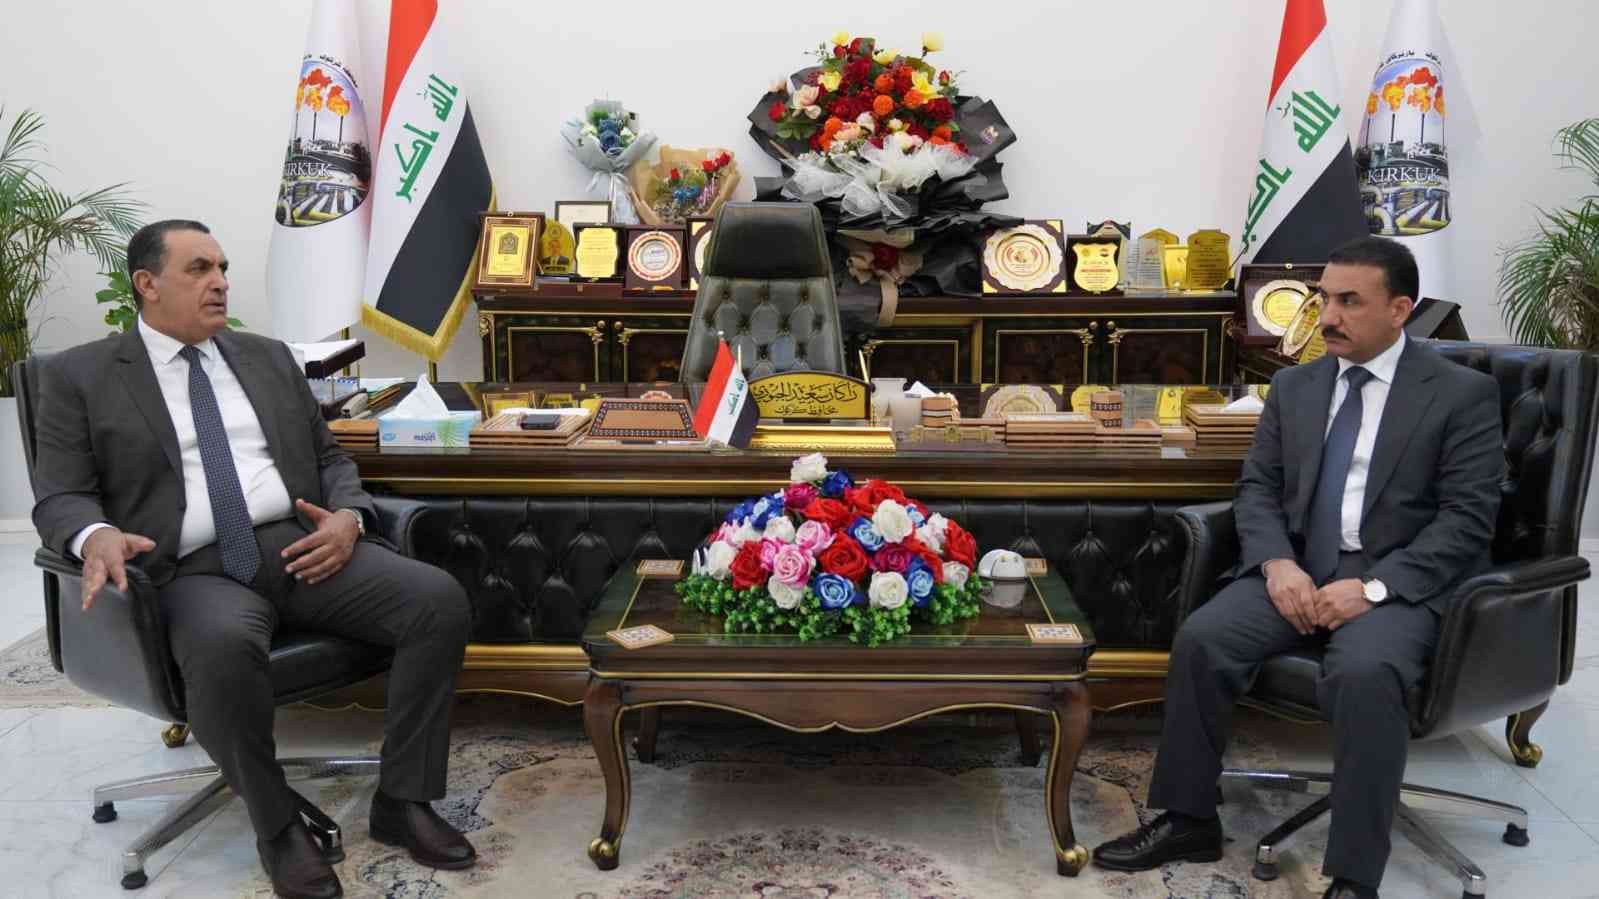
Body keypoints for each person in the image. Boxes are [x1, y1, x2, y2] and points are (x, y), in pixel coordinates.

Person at [31, 220, 477, 899]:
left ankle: (403, 799)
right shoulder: (79, 376)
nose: (220, 282)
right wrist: (95, 535)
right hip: (189, 569)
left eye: (222, 268)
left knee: (435, 600)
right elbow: (60, 495)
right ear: (147, 284)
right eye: (199, 269)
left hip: (296, 545)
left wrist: (349, 518)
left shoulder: (266, 357)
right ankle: (278, 829)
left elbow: (330, 458)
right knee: (223, 646)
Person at [1092, 236, 1504, 899]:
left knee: (1364, 671)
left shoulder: (1460, 394)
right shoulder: (1294, 385)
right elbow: (1257, 488)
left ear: (1399, 309)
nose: (1327, 317)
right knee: (1203, 639)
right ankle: (1189, 819)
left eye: (1349, 302)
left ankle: (1354, 875)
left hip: (1397, 581)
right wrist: (1277, 564)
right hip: (1300, 568)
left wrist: (1372, 587)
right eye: (1323, 299)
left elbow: (1466, 520)